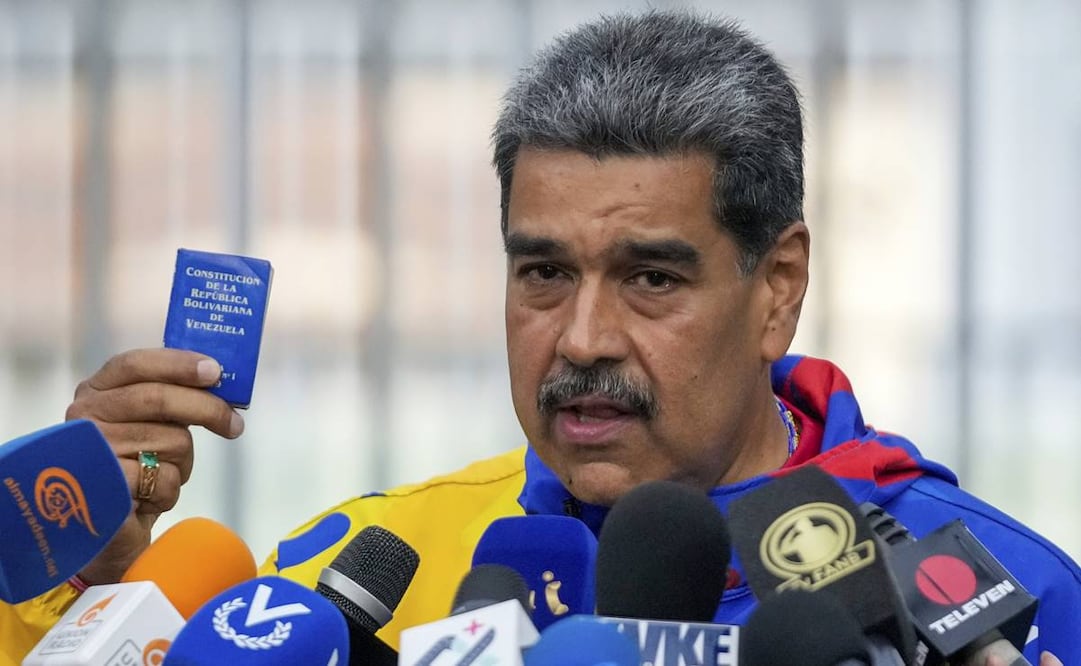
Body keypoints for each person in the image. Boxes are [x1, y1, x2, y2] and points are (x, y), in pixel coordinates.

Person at [2, 10, 1077, 665]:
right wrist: (92, 587)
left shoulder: (1000, 595)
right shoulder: (359, 569)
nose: (582, 338)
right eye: (543, 273)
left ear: (776, 289)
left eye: (651, 277)